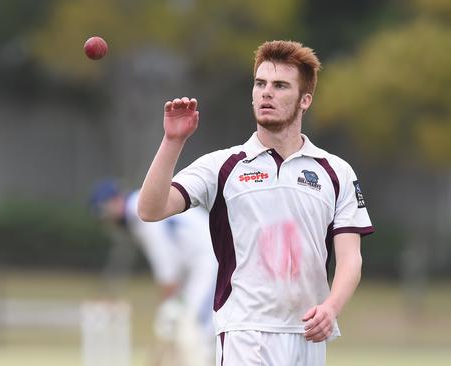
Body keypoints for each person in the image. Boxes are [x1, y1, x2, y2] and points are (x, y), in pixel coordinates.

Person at [137, 40, 374, 366]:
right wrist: (172, 141)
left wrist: (332, 307)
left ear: (305, 100)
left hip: (307, 334)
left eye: (280, 86)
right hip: (244, 332)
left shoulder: (336, 172)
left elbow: (351, 259)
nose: (266, 93)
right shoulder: (222, 166)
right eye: (260, 84)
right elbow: (150, 209)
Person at [90, 179, 217, 366]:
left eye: (105, 213)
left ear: (115, 200)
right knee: (189, 324)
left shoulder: (141, 213)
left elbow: (166, 267)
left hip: (210, 260)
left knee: (198, 326)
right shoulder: (139, 207)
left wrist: (166, 304)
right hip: (197, 264)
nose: (107, 220)